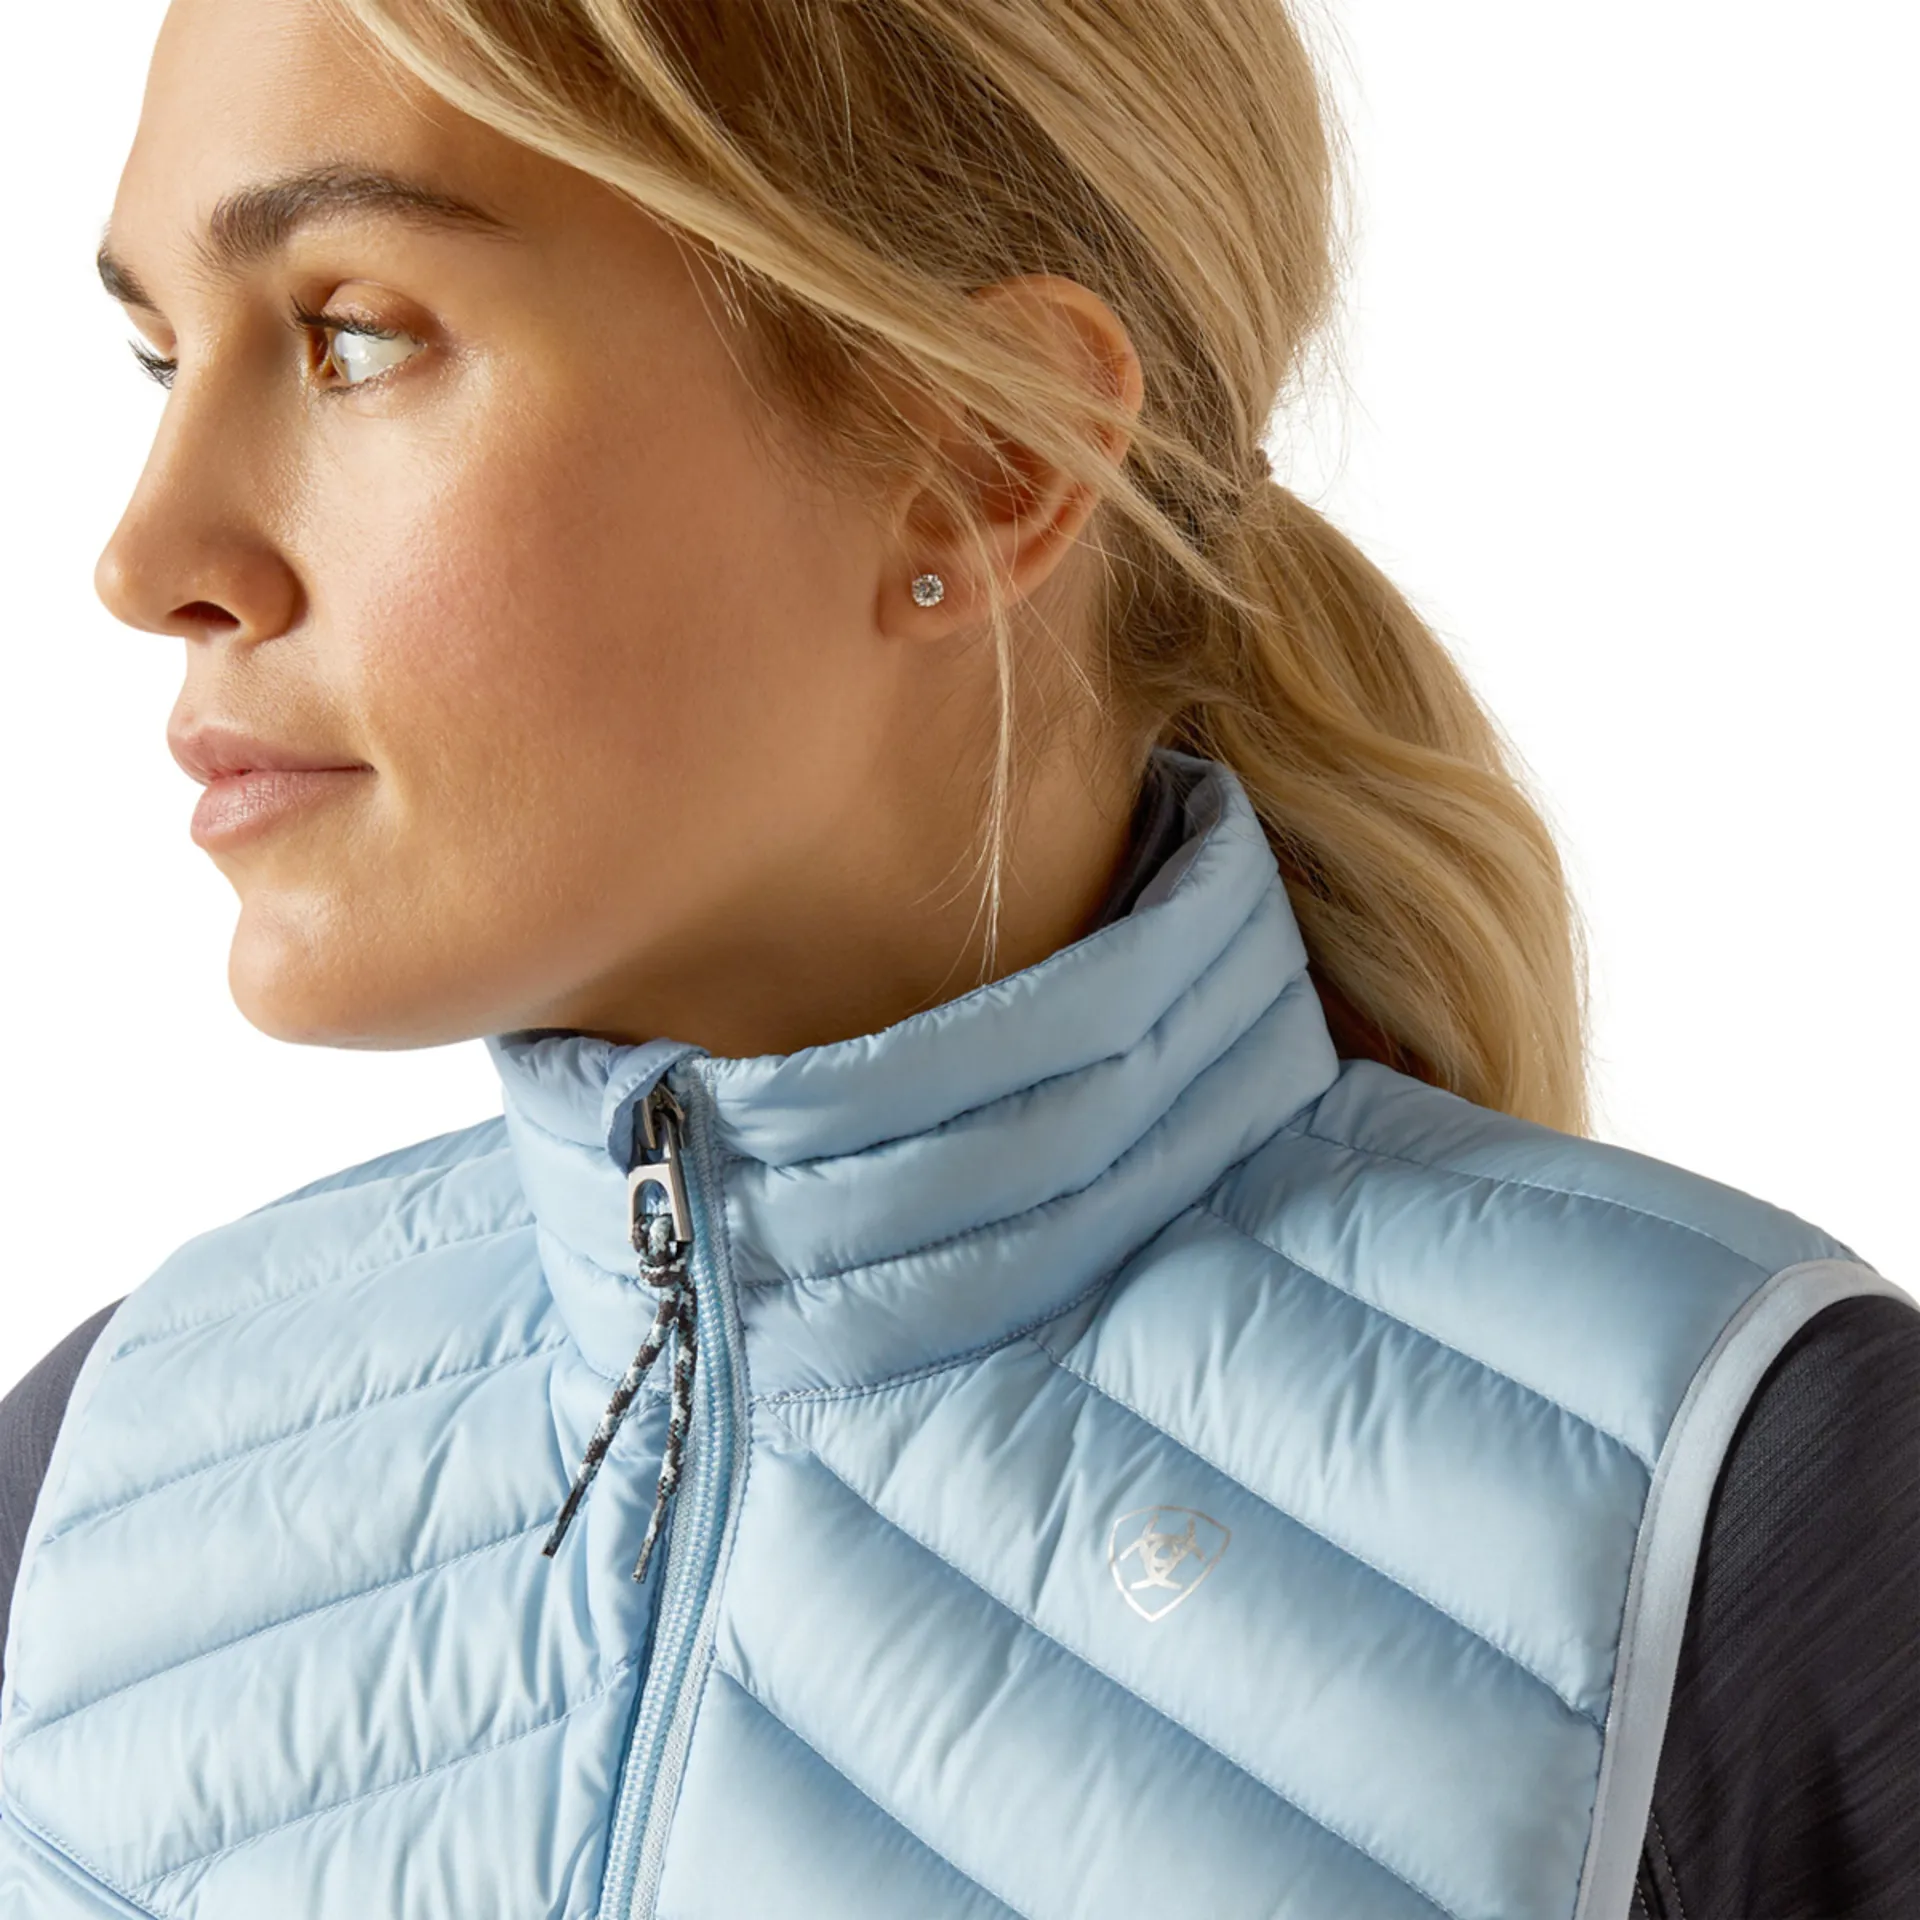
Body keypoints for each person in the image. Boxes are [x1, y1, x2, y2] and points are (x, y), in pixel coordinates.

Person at [0, 0, 1912, 1913]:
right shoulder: (88, 1492)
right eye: (160, 357)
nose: (147, 553)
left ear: (987, 454)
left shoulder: (1755, 1523)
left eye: (352, 335)